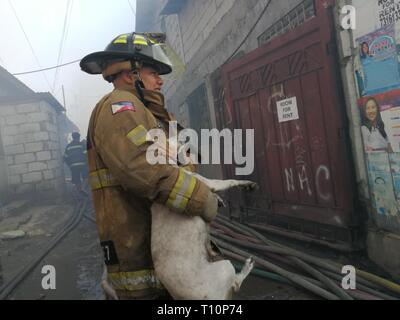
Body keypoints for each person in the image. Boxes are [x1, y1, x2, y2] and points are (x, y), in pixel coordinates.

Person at [80, 32, 219, 300]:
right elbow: (142, 167)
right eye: (153, 71)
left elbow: (182, 160)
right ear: (130, 74)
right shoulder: (121, 107)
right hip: (139, 255)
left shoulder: (147, 113)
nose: (160, 79)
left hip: (162, 248)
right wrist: (199, 198)